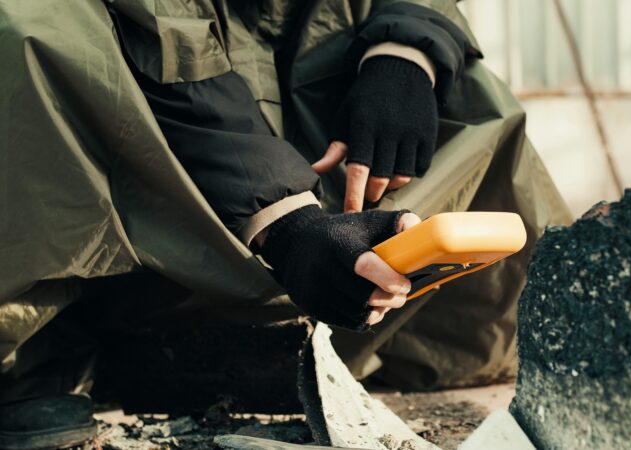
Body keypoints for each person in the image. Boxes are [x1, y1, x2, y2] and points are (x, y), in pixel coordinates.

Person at [0, 1, 572, 448]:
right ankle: (34, 362)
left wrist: (405, 53)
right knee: (39, 23)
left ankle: (351, 334)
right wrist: (285, 220)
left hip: (296, 148)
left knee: (461, 79)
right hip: (163, 183)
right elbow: (166, 35)